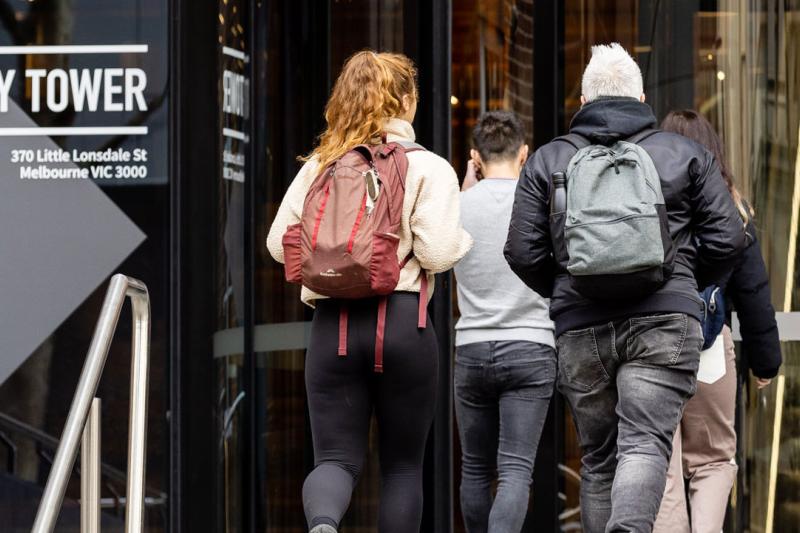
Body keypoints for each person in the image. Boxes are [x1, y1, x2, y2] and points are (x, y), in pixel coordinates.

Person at [504, 43, 745, 532]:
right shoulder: (685, 153)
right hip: (663, 323)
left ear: (584, 99)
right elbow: (729, 239)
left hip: (581, 327)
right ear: (639, 95)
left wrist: (567, 285)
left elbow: (522, 252)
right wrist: (680, 278)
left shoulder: (549, 160)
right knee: (644, 442)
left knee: (599, 456)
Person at [266, 50, 472, 533]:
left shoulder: (321, 164)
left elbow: (280, 245)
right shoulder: (429, 167)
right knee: (402, 467)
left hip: (331, 327)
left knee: (335, 459)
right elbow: (439, 254)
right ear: (405, 100)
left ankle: (322, 525)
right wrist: (463, 236)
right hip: (403, 324)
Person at [653, 110, 782, 533]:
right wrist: (765, 364)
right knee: (712, 462)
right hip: (710, 350)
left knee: (663, 466)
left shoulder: (648, 205)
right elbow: (754, 293)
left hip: (651, 349)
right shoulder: (733, 208)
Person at [454, 110, 556, 533]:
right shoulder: (540, 201)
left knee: (475, 469)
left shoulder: (456, 206)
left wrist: (463, 196)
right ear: (524, 154)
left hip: (472, 346)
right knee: (515, 471)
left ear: (474, 157)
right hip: (531, 346)